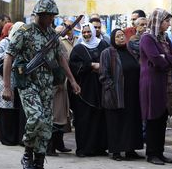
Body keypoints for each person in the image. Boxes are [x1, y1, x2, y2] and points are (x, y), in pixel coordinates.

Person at [2, 0, 80, 169]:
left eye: (52, 16)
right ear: (39, 15)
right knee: (35, 117)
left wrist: (72, 80)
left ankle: (39, 165)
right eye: (47, 16)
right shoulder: (24, 32)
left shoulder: (51, 35)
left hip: (47, 86)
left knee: (46, 125)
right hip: (28, 83)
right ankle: (28, 153)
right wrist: (6, 86)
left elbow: (61, 58)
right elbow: (8, 57)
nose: (50, 19)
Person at [139, 8, 172, 165]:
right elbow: (156, 60)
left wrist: (165, 57)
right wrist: (166, 58)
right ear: (158, 22)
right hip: (151, 84)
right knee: (153, 118)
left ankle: (160, 152)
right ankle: (152, 153)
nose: (168, 24)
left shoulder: (165, 38)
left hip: (165, 82)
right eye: (166, 21)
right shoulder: (147, 38)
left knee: (162, 118)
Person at [99, 28, 143, 161]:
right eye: (118, 36)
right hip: (116, 94)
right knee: (116, 123)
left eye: (122, 35)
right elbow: (103, 74)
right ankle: (116, 151)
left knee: (131, 122)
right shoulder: (107, 53)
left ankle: (131, 149)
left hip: (132, 93)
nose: (121, 38)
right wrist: (111, 87)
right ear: (113, 39)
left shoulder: (130, 51)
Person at [69, 22, 109, 157]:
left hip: (101, 87)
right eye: (84, 32)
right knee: (84, 119)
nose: (86, 34)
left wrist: (102, 66)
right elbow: (73, 66)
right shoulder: (78, 48)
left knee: (100, 118)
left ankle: (100, 148)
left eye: (89, 32)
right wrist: (90, 65)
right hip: (84, 90)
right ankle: (84, 149)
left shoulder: (103, 44)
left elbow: (111, 60)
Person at [0, 22, 23, 145]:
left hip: (17, 81)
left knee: (14, 110)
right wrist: (10, 54)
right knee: (5, 109)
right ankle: (6, 138)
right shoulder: (5, 42)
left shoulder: (22, 43)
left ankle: (14, 137)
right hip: (5, 80)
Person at [46, 25, 74, 156]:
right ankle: (50, 147)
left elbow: (64, 60)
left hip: (61, 85)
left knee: (62, 115)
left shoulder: (59, 44)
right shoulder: (46, 45)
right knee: (54, 116)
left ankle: (59, 144)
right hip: (51, 86)